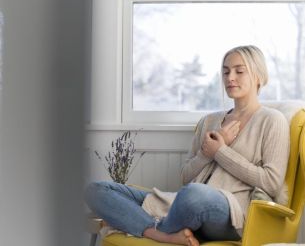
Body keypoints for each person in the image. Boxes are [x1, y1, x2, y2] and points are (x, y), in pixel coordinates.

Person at [85, 45, 290, 246]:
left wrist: (220, 151)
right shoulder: (209, 121)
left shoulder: (272, 120)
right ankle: (161, 235)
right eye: (225, 71)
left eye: (239, 71)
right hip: (183, 202)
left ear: (258, 76)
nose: (230, 78)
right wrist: (206, 153)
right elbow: (185, 176)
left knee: (194, 194)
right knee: (95, 190)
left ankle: (145, 225)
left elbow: (271, 182)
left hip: (231, 212)